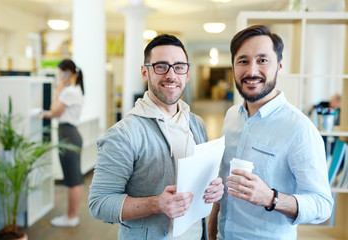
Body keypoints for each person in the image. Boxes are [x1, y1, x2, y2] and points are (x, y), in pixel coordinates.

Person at [88, 34, 224, 240]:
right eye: (161, 66)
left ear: (187, 74)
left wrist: (212, 188)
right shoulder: (123, 134)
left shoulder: (196, 124)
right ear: (145, 72)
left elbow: (198, 180)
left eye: (179, 67)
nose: (171, 75)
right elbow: (99, 203)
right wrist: (156, 204)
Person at [208, 25, 334, 240]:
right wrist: (211, 232)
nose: (252, 71)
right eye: (243, 61)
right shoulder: (232, 117)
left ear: (279, 66)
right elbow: (224, 184)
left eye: (263, 60)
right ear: (233, 67)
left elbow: (322, 205)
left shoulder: (300, 129)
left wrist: (270, 198)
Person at [42, 59, 84, 227]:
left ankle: (71, 217)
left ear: (66, 72)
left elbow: (54, 112)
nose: (59, 76)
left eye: (60, 73)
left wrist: (58, 89)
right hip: (71, 134)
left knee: (72, 179)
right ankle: (71, 215)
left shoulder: (69, 91)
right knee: (74, 178)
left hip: (68, 134)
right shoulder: (76, 89)